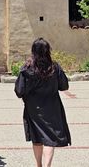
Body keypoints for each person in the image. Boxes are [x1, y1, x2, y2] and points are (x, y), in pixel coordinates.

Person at [14, 38, 71, 167]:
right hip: (52, 108)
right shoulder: (54, 67)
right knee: (50, 139)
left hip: (33, 109)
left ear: (33, 51)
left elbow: (19, 90)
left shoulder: (27, 68)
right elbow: (64, 86)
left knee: (37, 138)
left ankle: (38, 165)